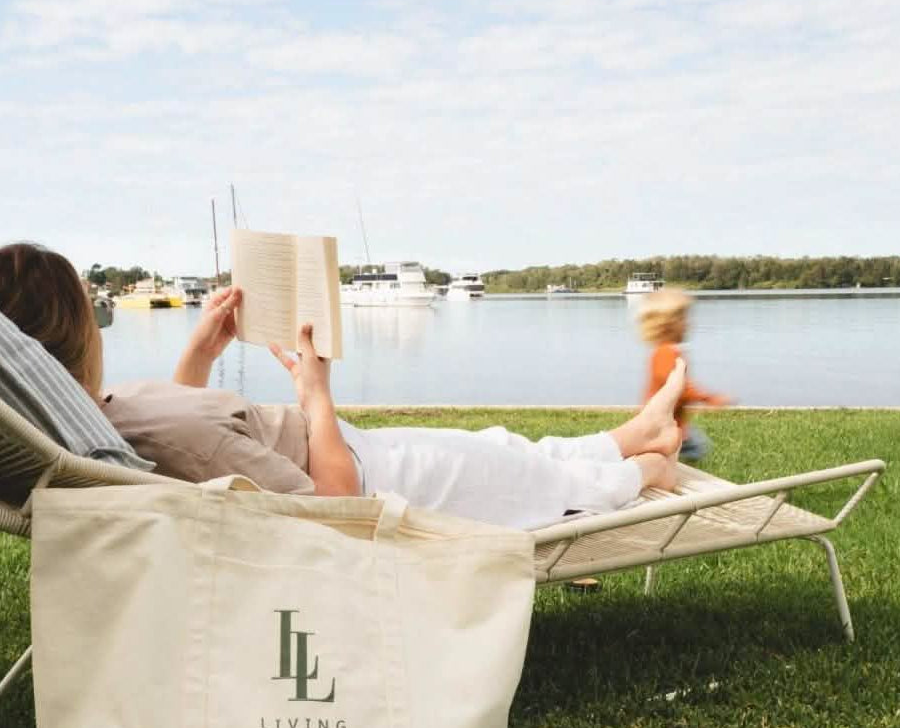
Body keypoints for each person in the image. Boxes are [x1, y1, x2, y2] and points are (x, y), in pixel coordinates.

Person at [0, 242, 687, 529]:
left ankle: (631, 436)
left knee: (499, 445)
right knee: (520, 479)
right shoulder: (146, 431)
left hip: (357, 453)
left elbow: (180, 435)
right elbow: (332, 511)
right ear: (80, 339)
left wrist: (199, 356)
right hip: (371, 479)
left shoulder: (93, 424)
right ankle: (640, 474)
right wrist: (316, 394)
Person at [636, 289, 729, 463]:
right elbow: (678, 387)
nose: (689, 323)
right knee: (697, 448)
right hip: (663, 425)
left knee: (685, 451)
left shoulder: (667, 351)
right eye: (684, 318)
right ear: (669, 325)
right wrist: (709, 398)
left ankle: (668, 469)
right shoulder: (665, 354)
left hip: (669, 423)